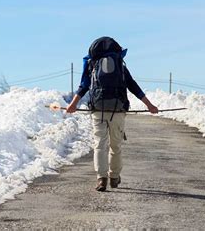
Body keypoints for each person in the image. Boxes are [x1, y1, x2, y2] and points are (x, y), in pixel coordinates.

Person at [66, 37, 159, 192]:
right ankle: (114, 177)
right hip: (117, 109)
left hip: (98, 109)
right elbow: (132, 85)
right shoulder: (119, 65)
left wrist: (73, 103)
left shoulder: (92, 63)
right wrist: (149, 105)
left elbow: (84, 85)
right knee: (115, 146)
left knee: (99, 145)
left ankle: (101, 179)